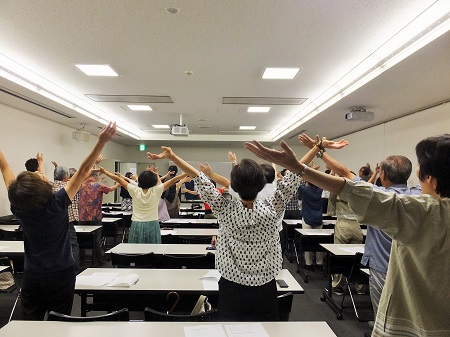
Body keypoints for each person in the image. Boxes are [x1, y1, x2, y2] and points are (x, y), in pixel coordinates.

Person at [245, 135, 450, 337]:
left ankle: (337, 287)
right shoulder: (416, 199)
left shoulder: (419, 210)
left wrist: (301, 167)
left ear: (431, 179)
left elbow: (350, 186)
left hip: (412, 323)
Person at [146, 138, 347, 321]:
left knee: (231, 328)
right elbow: (295, 172)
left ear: (233, 185)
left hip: (231, 286)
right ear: (261, 185)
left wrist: (173, 156)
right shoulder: (273, 207)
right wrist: (317, 148)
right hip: (266, 285)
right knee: (265, 328)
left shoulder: (223, 209)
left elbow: (198, 177)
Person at [0, 122, 116, 320]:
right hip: (61, 272)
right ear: (43, 189)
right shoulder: (57, 203)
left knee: (31, 321)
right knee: (60, 320)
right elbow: (82, 171)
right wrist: (101, 141)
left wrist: (39, 163)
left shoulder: (19, 206)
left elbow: (4, 166)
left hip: (33, 273)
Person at [100, 166, 187, 243]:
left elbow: (119, 179)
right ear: (154, 181)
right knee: (153, 251)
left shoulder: (135, 190)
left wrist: (106, 172)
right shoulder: (156, 190)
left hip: (137, 224)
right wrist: (185, 174)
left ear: (139, 181)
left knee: (137, 251)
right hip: (152, 224)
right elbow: (173, 180)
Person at [52, 166, 80, 272]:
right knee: (73, 244)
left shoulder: (48, 186)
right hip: (67, 221)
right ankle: (75, 268)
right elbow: (82, 177)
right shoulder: (69, 187)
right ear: (66, 176)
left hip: (53, 221)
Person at [77, 157, 120, 227]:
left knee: (82, 237)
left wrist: (95, 164)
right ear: (96, 177)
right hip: (95, 217)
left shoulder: (81, 184)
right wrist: (117, 185)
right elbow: (110, 189)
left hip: (82, 217)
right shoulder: (98, 185)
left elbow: (85, 174)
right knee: (95, 236)